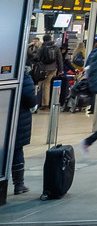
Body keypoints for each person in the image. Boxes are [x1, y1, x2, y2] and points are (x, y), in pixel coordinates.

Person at [11, 66, 36, 194]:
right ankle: (19, 184)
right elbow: (29, 97)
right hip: (19, 118)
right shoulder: (24, 75)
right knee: (17, 150)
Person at [36, 33, 63, 109]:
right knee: (47, 85)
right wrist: (61, 69)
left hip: (42, 69)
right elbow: (59, 59)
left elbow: (37, 58)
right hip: (53, 69)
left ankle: (36, 103)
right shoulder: (56, 48)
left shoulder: (41, 48)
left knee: (38, 85)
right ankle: (45, 104)